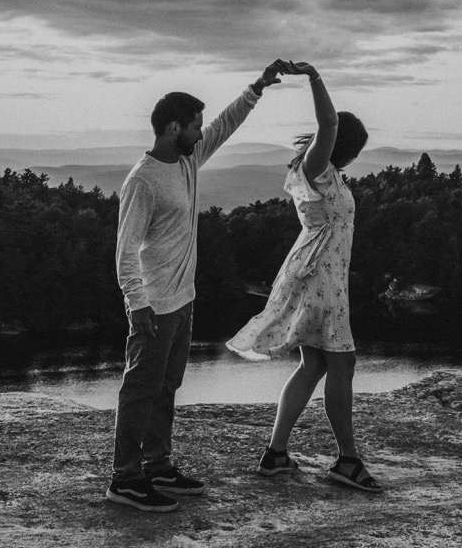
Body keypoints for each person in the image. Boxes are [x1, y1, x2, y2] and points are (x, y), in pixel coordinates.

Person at [105, 61, 287, 513]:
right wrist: (137, 304)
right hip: (155, 305)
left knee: (166, 386)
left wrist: (257, 88)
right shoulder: (142, 180)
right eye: (193, 126)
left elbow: (224, 126)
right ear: (172, 128)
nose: (200, 133)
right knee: (140, 390)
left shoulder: (186, 161)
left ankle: (157, 464)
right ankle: (125, 478)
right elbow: (125, 250)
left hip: (182, 300)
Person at [226, 62, 382, 493]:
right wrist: (313, 77)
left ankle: (276, 454)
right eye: (353, 151)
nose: (352, 158)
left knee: (314, 362)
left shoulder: (323, 172)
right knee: (342, 362)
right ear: (340, 146)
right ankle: (347, 461)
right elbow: (328, 122)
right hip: (319, 277)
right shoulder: (317, 167)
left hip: (319, 271)